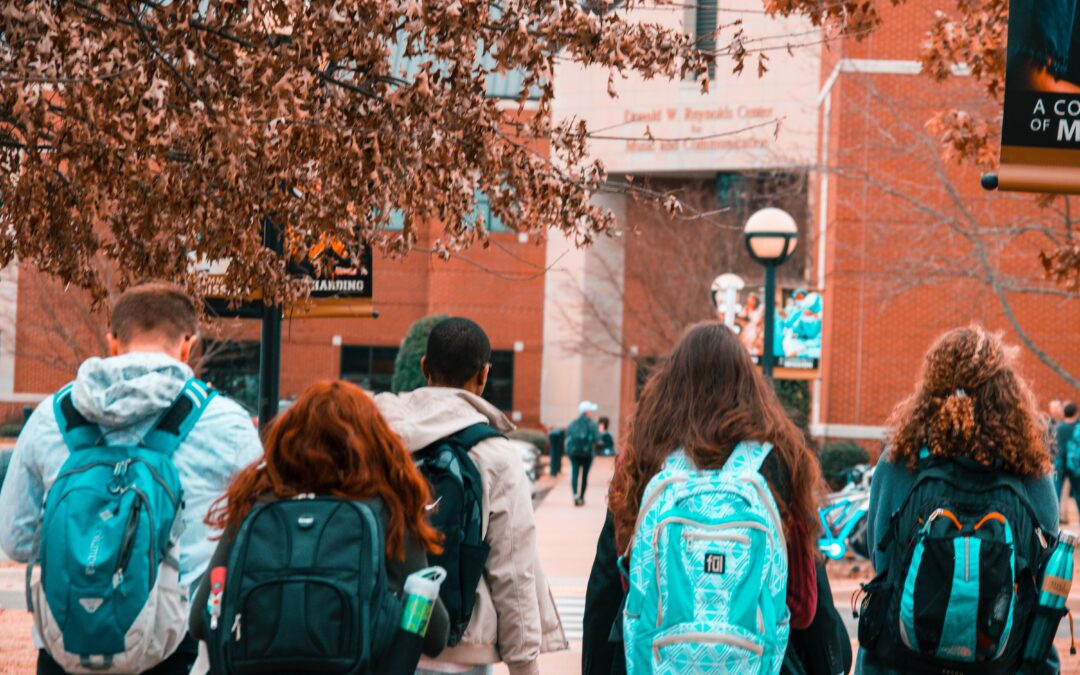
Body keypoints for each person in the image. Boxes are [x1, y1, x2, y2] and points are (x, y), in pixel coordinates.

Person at [0, 281, 263, 675]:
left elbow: (16, 541)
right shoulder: (226, 423)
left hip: (66, 649)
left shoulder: (49, 418)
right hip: (175, 652)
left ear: (112, 341)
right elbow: (256, 539)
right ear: (189, 345)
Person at [603, 322, 824, 674]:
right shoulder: (781, 461)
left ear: (670, 384)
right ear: (749, 385)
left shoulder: (642, 457)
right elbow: (802, 607)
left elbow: (614, 583)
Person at [189, 380, 450, 670]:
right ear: (373, 443)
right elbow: (436, 636)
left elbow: (201, 619)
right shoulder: (387, 510)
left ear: (288, 439)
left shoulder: (256, 505)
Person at [856, 326, 1060, 674]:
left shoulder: (900, 460)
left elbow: (883, 557)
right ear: (1007, 391)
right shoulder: (1030, 469)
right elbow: (1044, 570)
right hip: (1004, 661)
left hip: (901, 661)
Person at [375, 317, 566, 675]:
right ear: (483, 375)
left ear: (424, 367)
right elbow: (513, 567)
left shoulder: (379, 440)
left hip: (383, 641)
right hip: (462, 650)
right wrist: (524, 664)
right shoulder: (494, 454)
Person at [566, 401, 600, 506]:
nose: (592, 413)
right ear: (587, 412)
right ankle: (581, 497)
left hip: (574, 453)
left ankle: (575, 495)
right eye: (591, 411)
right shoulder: (592, 424)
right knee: (584, 476)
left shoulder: (573, 423)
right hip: (587, 454)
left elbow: (567, 437)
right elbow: (597, 439)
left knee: (575, 474)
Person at [1058, 401, 1079, 519]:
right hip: (1075, 466)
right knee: (1078, 495)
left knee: (1057, 495)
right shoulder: (1078, 427)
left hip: (1060, 466)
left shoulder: (1060, 427)